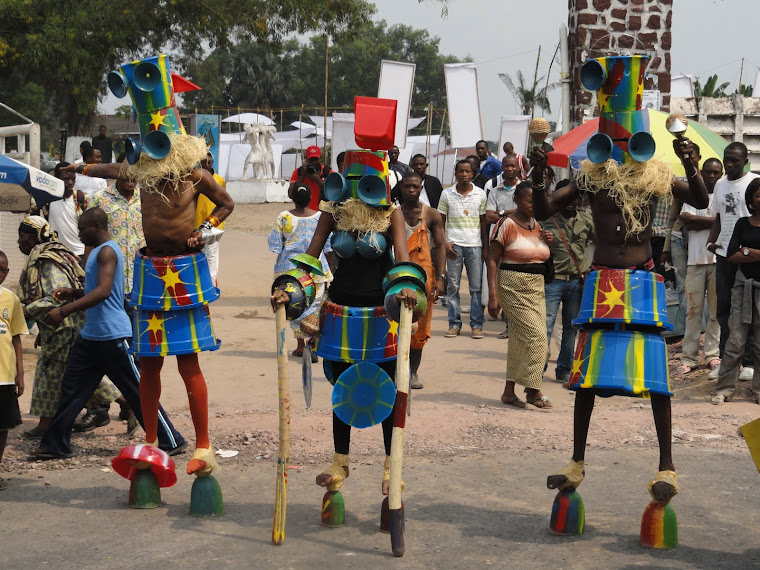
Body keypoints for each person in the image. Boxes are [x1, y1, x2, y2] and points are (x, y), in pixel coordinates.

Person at [530, 130, 707, 505]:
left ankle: (667, 466)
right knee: (588, 376)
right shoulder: (590, 177)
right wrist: (538, 175)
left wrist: (689, 160)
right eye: (617, 144)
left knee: (655, 375)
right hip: (602, 277)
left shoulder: (654, 173)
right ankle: (577, 461)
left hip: (641, 278)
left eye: (630, 145)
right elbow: (544, 210)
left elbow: (700, 197)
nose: (624, 152)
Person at [270, 148, 417, 502]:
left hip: (381, 316)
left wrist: (406, 291)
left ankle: (389, 464)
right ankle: (341, 461)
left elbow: (403, 262)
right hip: (339, 312)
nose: (353, 193)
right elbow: (309, 262)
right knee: (343, 390)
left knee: (384, 388)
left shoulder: (391, 214)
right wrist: (290, 292)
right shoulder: (332, 214)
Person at [30, 208, 186, 459]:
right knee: (71, 391)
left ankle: (171, 439)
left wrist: (65, 311)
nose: (79, 234)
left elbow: (103, 292)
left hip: (114, 336)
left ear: (95, 226)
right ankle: (55, 444)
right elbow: (98, 290)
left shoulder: (106, 252)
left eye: (82, 229)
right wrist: (74, 292)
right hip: (92, 336)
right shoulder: (95, 253)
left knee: (137, 391)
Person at [487, 181, 554, 408]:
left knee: (518, 340)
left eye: (536, 201)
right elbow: (492, 260)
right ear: (516, 200)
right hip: (511, 285)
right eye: (529, 200)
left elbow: (542, 258)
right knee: (538, 338)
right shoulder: (505, 224)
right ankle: (533, 391)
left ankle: (509, 392)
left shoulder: (538, 226)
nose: (533, 205)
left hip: (536, 286)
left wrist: (548, 244)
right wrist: (493, 296)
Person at [17, 216, 85, 438]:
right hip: (56, 327)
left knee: (58, 376)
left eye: (23, 236)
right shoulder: (51, 255)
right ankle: (45, 424)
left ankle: (127, 402)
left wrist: (27, 312)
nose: (19, 241)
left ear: (35, 237)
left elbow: (57, 295)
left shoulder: (46, 260)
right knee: (56, 376)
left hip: (64, 327)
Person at [706, 142, 760, 380]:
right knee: (723, 309)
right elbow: (718, 217)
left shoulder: (754, 182)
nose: (729, 164)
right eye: (726, 159)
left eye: (735, 160)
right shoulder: (720, 183)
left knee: (750, 310)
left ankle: (748, 363)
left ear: (745, 160)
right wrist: (711, 241)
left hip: (748, 255)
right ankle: (726, 362)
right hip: (724, 255)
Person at [267, 184, 332, 361]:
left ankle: (301, 345)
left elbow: (274, 245)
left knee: (295, 305)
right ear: (311, 197)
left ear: (292, 197)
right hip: (317, 269)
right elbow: (328, 247)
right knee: (315, 305)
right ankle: (313, 342)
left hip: (290, 270)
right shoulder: (321, 217)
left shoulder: (284, 217)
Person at [712, 178, 760, 404]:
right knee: (735, 341)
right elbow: (731, 255)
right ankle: (724, 389)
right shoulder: (742, 223)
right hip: (742, 288)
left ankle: (758, 391)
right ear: (751, 199)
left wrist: (748, 251)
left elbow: (740, 252)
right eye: (758, 194)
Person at [541, 185, 594, 385]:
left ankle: (564, 369)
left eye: (576, 197)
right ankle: (539, 368)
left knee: (571, 328)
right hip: (552, 280)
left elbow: (599, 240)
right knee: (545, 326)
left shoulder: (587, 220)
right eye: (568, 197)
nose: (572, 201)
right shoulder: (546, 220)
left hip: (576, 280)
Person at [399, 171, 447, 389]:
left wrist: (441, 277)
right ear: (401, 188)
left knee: (420, 327)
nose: (411, 190)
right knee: (394, 323)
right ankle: (397, 368)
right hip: (398, 278)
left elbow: (440, 247)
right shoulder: (393, 214)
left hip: (424, 278)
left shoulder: (432, 215)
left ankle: (413, 372)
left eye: (415, 187)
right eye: (407, 186)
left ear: (421, 188)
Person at [679, 157, 722, 375]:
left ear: (721, 174)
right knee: (693, 311)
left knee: (715, 313)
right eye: (708, 172)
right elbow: (686, 219)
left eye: (716, 172)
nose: (712, 176)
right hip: (695, 260)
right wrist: (715, 222)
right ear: (702, 173)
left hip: (717, 261)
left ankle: (713, 355)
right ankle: (689, 357)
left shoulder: (722, 196)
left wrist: (700, 222)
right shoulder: (695, 195)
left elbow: (725, 223)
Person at [438, 160, 488, 339]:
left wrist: (485, 247)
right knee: (453, 287)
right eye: (461, 171)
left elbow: (483, 224)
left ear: (472, 174)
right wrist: (445, 243)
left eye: (467, 171)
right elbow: (440, 222)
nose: (464, 174)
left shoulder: (481, 194)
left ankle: (476, 325)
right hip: (454, 245)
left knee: (476, 287)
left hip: (474, 245)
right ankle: (454, 324)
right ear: (455, 173)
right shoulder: (446, 194)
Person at [484, 155, 521, 339]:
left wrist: (501, 213)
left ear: (518, 168)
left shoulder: (523, 189)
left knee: (515, 282)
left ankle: (514, 325)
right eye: (506, 165)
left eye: (512, 166)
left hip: (519, 241)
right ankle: (507, 325)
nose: (509, 169)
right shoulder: (494, 191)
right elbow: (488, 216)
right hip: (499, 241)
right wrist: (512, 214)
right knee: (501, 280)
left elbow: (527, 211)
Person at [0, 250, 27, 490]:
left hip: (4, 376)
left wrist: (20, 374)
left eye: (5, 270)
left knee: (3, 426)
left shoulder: (11, 299)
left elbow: (16, 338)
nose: (1, 273)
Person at [196, 151, 226, 283]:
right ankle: (200, 283)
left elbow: (225, 202)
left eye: (209, 162)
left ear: (212, 163)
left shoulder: (219, 180)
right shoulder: (195, 179)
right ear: (200, 163)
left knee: (212, 256)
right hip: (196, 224)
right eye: (204, 162)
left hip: (214, 224)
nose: (207, 164)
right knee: (198, 254)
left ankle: (212, 284)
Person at [48, 162, 88, 258]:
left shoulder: (81, 198)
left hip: (79, 252)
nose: (70, 182)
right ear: (57, 179)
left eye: (73, 179)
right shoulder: (47, 197)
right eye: (66, 179)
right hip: (57, 253)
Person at [289, 145, 331, 211]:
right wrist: (302, 177)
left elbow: (333, 193)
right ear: (306, 159)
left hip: (321, 213)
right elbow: (291, 194)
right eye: (311, 160)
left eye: (316, 159)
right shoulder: (299, 172)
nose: (314, 162)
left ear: (320, 159)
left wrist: (318, 181)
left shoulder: (327, 172)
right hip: (304, 213)